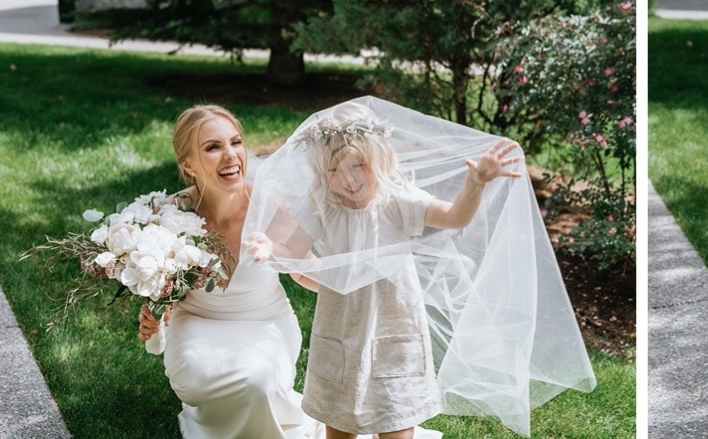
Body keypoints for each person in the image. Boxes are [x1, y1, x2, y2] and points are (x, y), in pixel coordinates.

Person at [243, 97, 596, 437]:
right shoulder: (324, 206)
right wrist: (270, 245)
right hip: (343, 322)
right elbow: (293, 248)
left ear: (378, 158)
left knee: (396, 412)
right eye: (334, 169)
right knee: (340, 418)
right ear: (321, 172)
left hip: (394, 323)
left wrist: (475, 184)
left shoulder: (396, 201)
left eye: (358, 165)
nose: (348, 179)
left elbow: (454, 216)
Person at [136, 104, 322, 438]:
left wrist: (356, 281)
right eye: (213, 147)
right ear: (188, 165)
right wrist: (154, 313)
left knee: (258, 380)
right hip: (197, 323)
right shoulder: (169, 215)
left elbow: (303, 268)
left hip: (265, 322)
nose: (231, 156)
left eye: (236, 142)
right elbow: (164, 290)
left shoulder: (272, 207)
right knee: (196, 371)